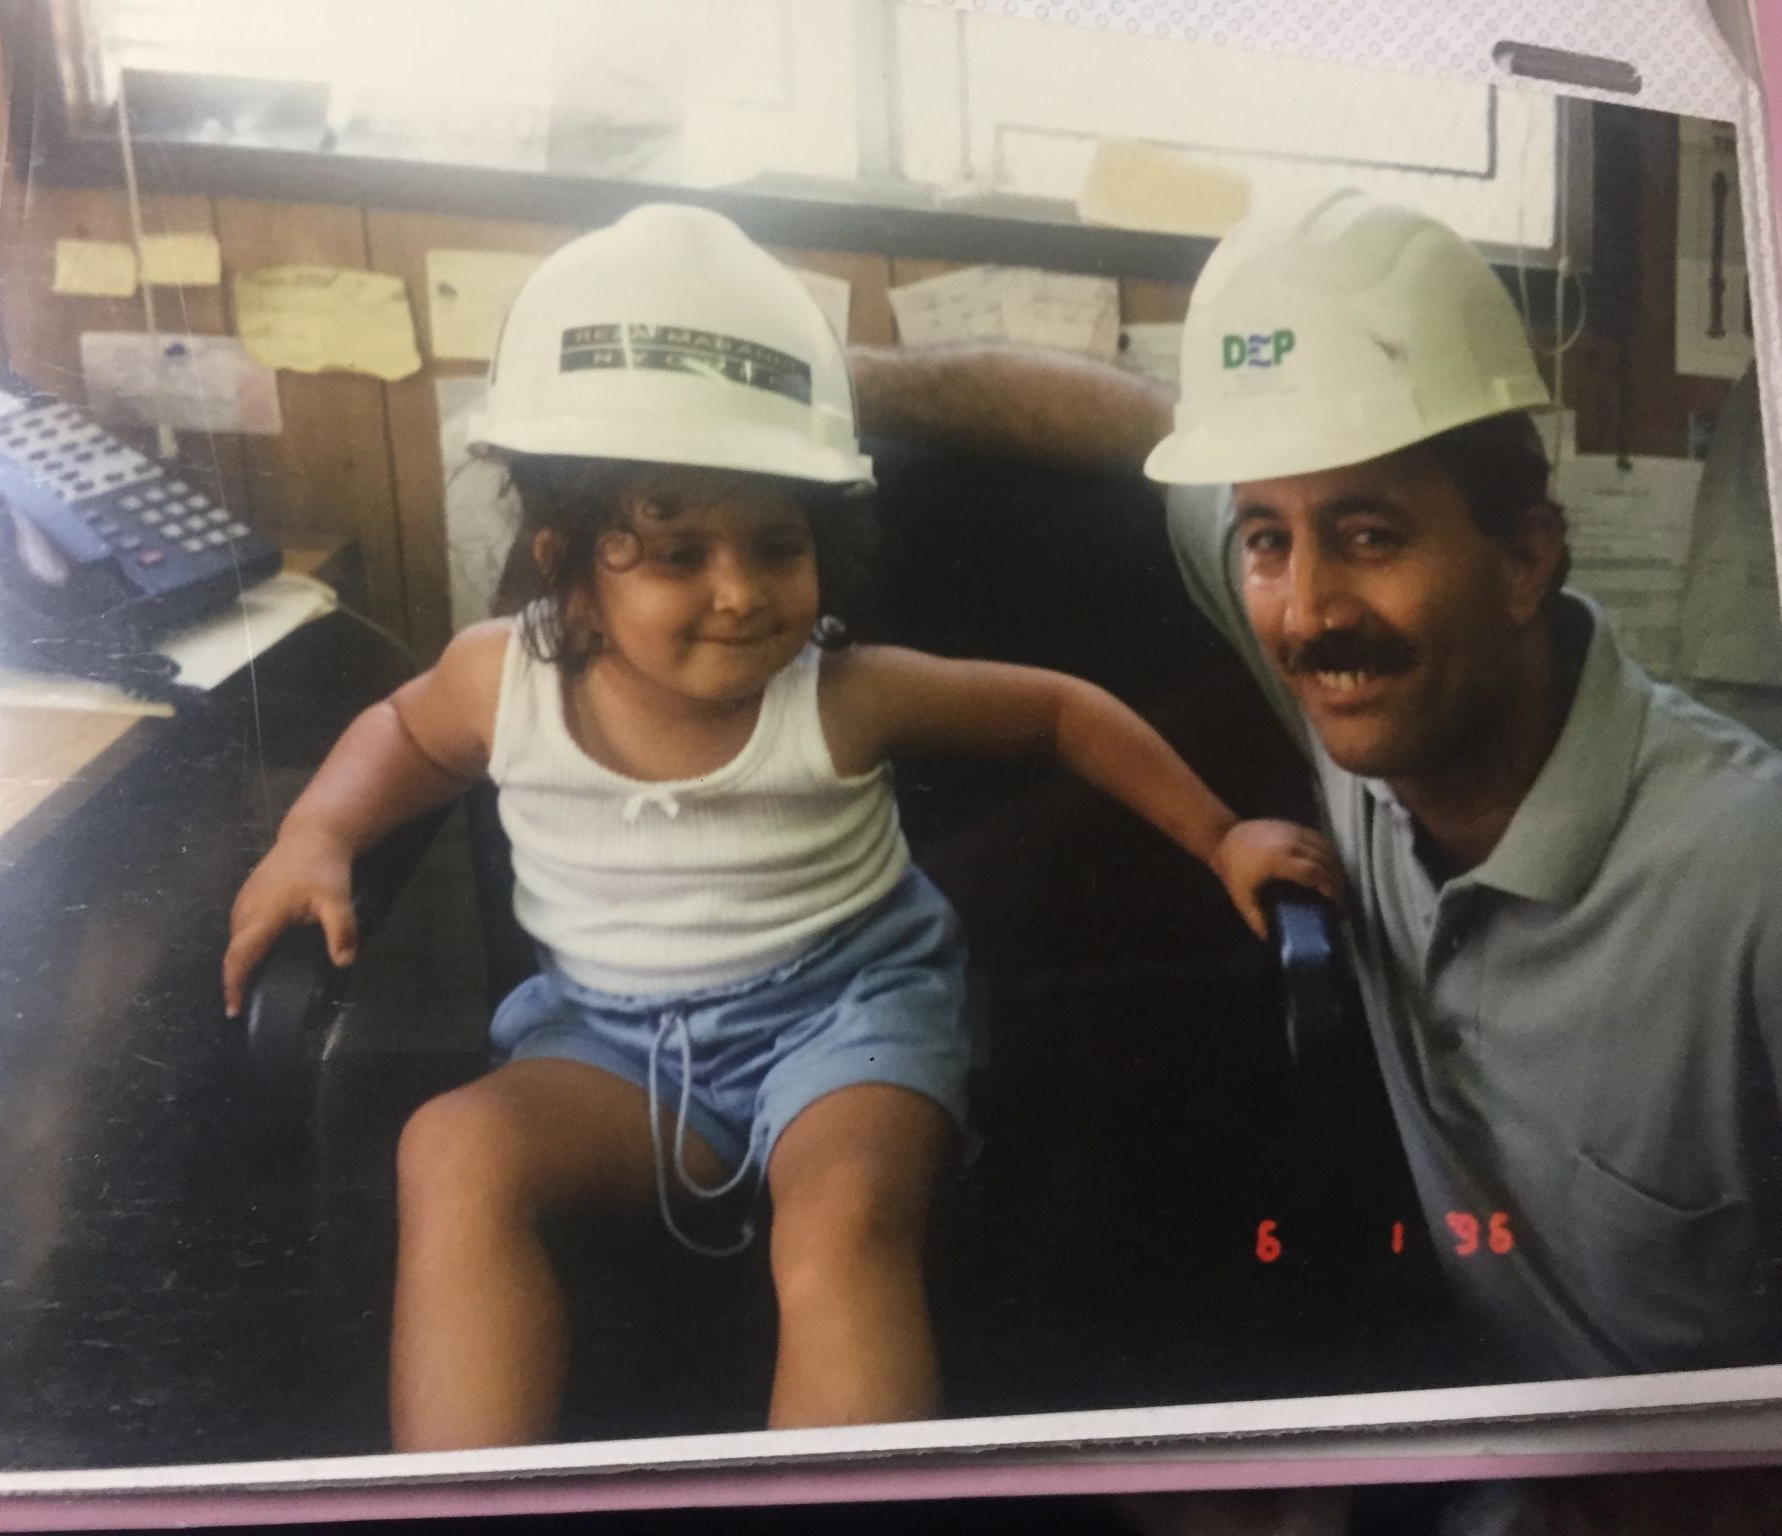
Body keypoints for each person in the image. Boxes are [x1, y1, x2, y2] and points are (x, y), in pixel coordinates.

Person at [219, 203, 1342, 1451]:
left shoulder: (841, 691)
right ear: (566, 566)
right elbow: (401, 733)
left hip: (845, 1019)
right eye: (678, 554)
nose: (740, 592)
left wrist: (1217, 836)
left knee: (843, 1215)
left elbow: (1058, 714)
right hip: (610, 1042)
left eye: (775, 545)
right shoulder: (500, 680)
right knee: (450, 1149)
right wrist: (316, 835)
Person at [851, 189, 1782, 1380]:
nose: (1304, 613)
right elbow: (1123, 420)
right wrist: (825, 384)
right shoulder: (1359, 688)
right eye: (1265, 541)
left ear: (1521, 560)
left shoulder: (1746, 878)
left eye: (1368, 535)